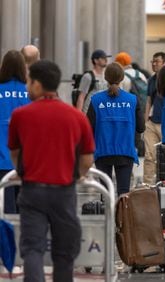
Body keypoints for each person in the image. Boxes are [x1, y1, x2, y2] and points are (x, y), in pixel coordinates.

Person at [8, 60, 95, 281]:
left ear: (37, 84)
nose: (27, 87)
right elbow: (87, 158)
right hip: (64, 192)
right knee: (64, 252)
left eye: (29, 82)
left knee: (33, 248)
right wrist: (75, 176)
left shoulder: (21, 115)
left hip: (32, 192)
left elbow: (16, 152)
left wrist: (22, 170)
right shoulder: (76, 117)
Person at [87, 63, 145, 195]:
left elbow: (88, 128)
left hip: (102, 152)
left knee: (105, 192)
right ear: (122, 78)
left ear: (106, 78)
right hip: (125, 151)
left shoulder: (96, 100)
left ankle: (107, 214)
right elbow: (141, 127)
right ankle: (122, 215)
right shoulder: (132, 100)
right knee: (124, 193)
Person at [0, 50, 31, 214]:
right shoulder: (30, 93)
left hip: (1, 160)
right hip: (25, 162)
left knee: (4, 211)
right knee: (25, 212)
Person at [143, 52, 165, 185]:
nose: (154, 64)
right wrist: (145, 122)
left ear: (164, 63)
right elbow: (148, 101)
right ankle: (147, 184)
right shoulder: (151, 80)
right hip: (152, 123)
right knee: (149, 156)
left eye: (157, 61)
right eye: (152, 61)